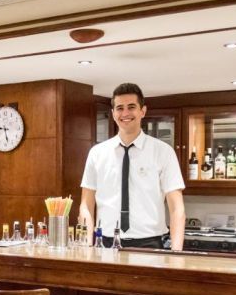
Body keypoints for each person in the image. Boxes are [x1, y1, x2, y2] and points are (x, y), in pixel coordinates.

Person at [79, 82, 186, 250]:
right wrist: (86, 246)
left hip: (150, 244)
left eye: (131, 107)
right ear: (113, 113)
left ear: (143, 111)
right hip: (105, 244)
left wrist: (177, 254)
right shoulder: (97, 153)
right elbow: (86, 205)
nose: (125, 113)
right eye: (120, 108)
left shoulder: (163, 152)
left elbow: (177, 208)